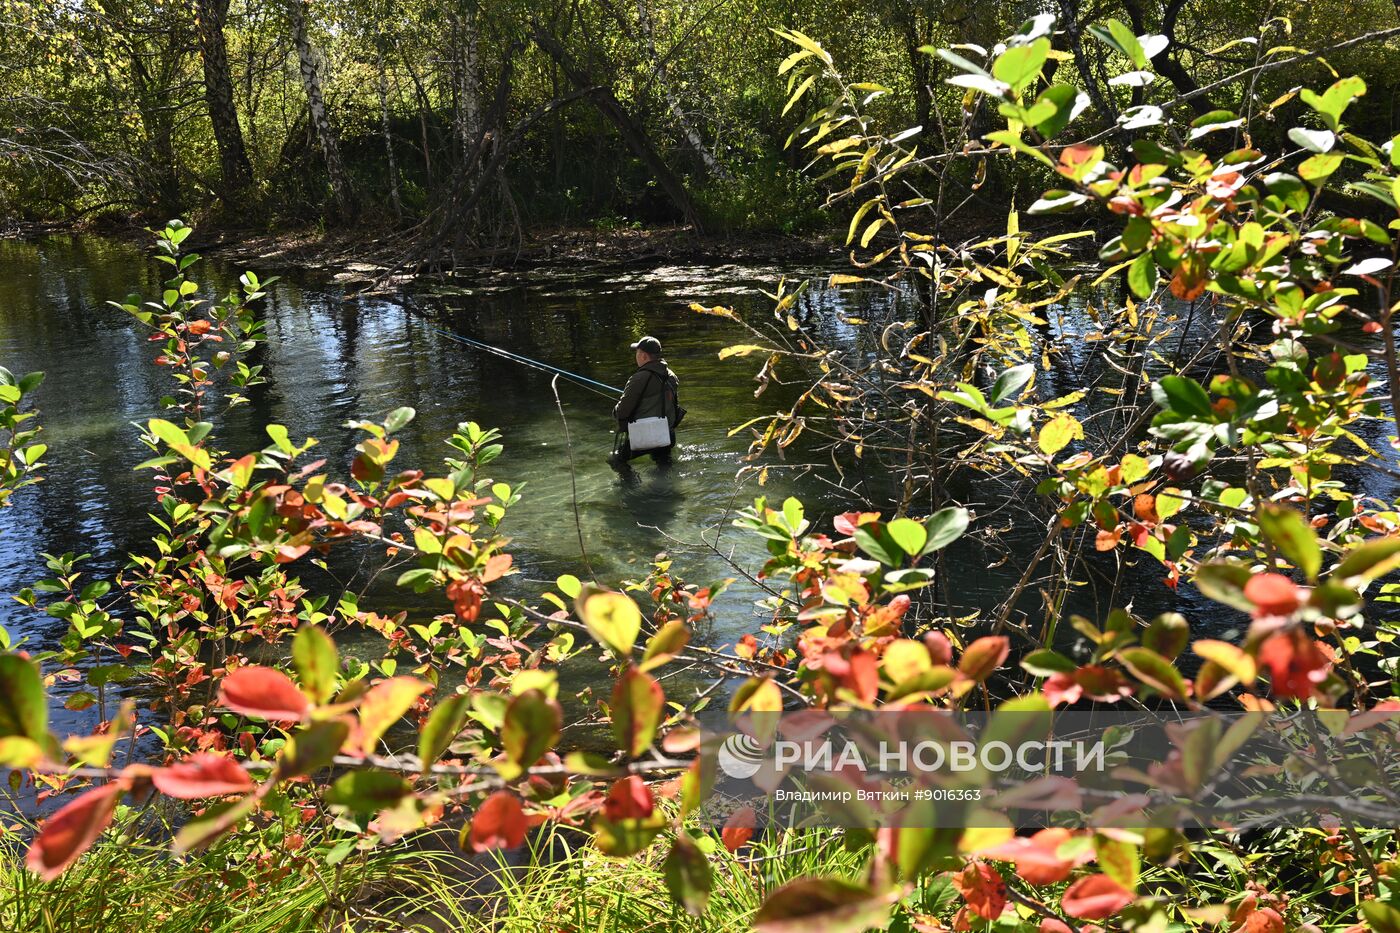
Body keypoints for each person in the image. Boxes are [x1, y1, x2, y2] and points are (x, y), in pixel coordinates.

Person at [610, 335, 681, 467]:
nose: (636, 356)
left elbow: (622, 412)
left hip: (644, 436)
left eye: (637, 352)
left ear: (643, 356)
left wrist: (615, 410)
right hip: (667, 435)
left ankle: (631, 481)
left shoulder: (638, 379)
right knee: (664, 466)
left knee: (616, 462)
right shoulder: (671, 376)